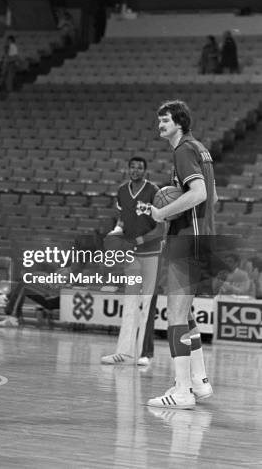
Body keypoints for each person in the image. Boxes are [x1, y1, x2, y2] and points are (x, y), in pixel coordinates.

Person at [148, 100, 217, 409]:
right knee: (185, 312)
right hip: (199, 237)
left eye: (164, 120)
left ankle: (181, 390)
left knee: (175, 314)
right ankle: (199, 383)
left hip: (188, 241)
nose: (159, 125)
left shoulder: (183, 150)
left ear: (178, 122)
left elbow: (199, 194)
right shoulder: (200, 148)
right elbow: (213, 196)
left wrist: (163, 213)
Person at [101, 157, 164, 366]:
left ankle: (145, 353)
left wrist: (140, 239)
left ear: (146, 171)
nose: (135, 170)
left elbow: (161, 229)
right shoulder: (121, 191)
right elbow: (122, 219)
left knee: (147, 303)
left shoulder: (154, 191)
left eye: (140, 167)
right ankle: (124, 352)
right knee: (129, 304)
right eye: (133, 167)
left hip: (151, 255)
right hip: (131, 256)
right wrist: (117, 231)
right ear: (127, 169)